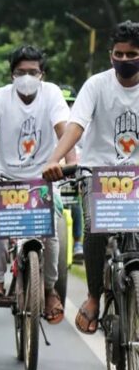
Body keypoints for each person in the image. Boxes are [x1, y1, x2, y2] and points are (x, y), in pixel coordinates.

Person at [42, 20, 139, 334]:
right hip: (98, 173)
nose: (124, 60)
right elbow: (77, 124)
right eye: (119, 54)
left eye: (132, 54)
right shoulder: (96, 85)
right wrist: (56, 158)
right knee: (96, 230)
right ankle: (94, 296)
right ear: (110, 54)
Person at [0, 45, 73, 323]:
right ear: (11, 74)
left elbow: (65, 130)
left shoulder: (51, 93)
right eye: (20, 72)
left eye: (32, 72)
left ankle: (50, 289)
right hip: (3, 177)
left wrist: (69, 164)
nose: (26, 77)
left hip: (44, 177)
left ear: (42, 74)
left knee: (52, 228)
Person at [59, 84, 84, 261]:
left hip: (72, 175)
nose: (66, 107)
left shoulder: (81, 124)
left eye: (70, 103)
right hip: (51, 176)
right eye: (63, 103)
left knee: (76, 206)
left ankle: (77, 243)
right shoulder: (49, 122)